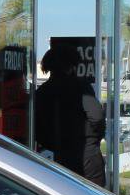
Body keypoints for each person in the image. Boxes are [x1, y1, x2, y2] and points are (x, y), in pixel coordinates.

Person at [34, 44, 106, 184]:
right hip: (88, 157)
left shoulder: (42, 92)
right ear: (71, 65)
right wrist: (93, 139)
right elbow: (97, 117)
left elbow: (37, 129)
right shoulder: (81, 87)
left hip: (59, 158)